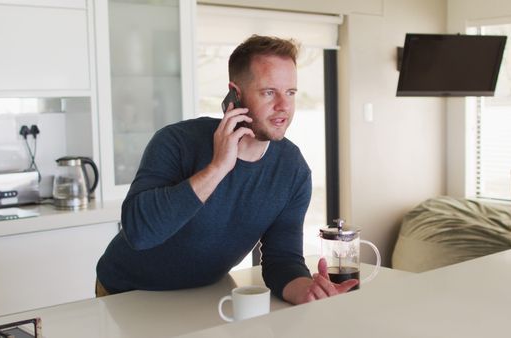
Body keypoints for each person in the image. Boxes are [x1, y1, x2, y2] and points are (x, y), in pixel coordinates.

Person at [96, 35, 357, 304]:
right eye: (269, 92)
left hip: (206, 294)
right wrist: (218, 167)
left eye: (290, 92)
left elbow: (283, 259)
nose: (284, 106)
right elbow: (139, 233)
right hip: (126, 293)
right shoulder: (176, 141)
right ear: (236, 93)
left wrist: (306, 289)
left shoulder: (293, 170)